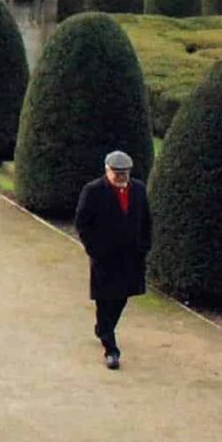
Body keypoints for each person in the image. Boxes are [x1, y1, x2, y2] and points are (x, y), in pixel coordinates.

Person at [74, 150, 152, 370]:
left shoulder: (138, 189)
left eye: (125, 173)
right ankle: (111, 348)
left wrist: (145, 247)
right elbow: (82, 223)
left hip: (131, 257)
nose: (121, 176)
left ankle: (103, 328)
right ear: (107, 170)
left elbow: (146, 220)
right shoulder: (93, 191)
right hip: (104, 257)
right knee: (105, 298)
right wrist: (94, 249)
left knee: (122, 297)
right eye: (117, 173)